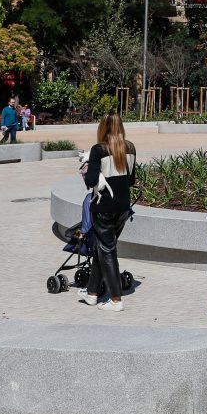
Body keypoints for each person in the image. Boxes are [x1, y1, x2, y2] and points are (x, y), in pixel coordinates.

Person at [81, 113, 136, 312]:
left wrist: (86, 170)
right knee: (102, 248)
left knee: (107, 250)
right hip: (123, 208)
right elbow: (131, 180)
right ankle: (92, 293)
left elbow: (91, 181)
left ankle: (115, 298)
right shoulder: (130, 148)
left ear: (102, 128)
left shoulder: (98, 150)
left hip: (103, 207)